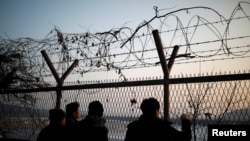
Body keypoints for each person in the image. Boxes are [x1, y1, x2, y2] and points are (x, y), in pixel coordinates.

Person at [124, 97, 192, 141]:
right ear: (156, 111)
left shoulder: (132, 128)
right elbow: (186, 138)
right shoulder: (163, 127)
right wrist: (185, 120)